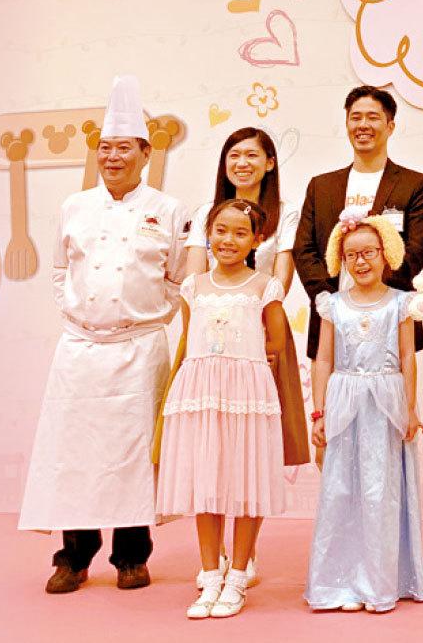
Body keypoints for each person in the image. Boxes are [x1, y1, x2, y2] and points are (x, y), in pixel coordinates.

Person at [18, 75, 189, 594]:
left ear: (146, 152)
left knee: (133, 456)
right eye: (105, 148)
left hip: (139, 348)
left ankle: (131, 557)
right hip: (80, 348)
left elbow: (177, 278)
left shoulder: (168, 209)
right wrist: (78, 317)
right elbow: (58, 270)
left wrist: (146, 318)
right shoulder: (75, 206)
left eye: (124, 148)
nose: (112, 157)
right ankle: (73, 557)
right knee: (75, 454)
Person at [180, 127, 310, 586]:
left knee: (252, 445)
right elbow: (194, 277)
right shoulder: (205, 212)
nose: (242, 163)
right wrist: (210, 308)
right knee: (209, 444)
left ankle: (244, 558)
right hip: (209, 333)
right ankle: (214, 560)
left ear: (270, 163)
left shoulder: (286, 213)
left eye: (253, 155)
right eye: (234, 155)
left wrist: (255, 321)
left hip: (259, 335)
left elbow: (281, 278)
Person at [157, 200, 290, 618]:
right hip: (202, 392)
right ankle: (211, 575)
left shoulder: (264, 286)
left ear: (257, 239)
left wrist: (249, 369)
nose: (228, 240)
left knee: (246, 485)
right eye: (220, 230)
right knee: (206, 484)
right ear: (209, 233)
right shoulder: (193, 287)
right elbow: (188, 337)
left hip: (247, 395)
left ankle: (237, 578)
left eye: (240, 232)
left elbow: (277, 342)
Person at [305, 205, 423, 613]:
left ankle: (378, 583)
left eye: (368, 253)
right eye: (352, 255)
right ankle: (338, 584)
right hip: (344, 403)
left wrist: (410, 408)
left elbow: (408, 357)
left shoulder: (401, 303)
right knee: (341, 489)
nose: (361, 262)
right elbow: (324, 359)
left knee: (381, 492)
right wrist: (319, 411)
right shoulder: (332, 305)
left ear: (384, 254)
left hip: (386, 404)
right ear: (342, 260)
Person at [292, 86, 423, 362]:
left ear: (390, 126)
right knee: (331, 388)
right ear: (347, 123)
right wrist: (331, 302)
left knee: (391, 387)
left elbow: (417, 250)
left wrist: (374, 297)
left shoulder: (414, 184)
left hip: (390, 315)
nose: (363, 125)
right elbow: (304, 249)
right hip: (332, 317)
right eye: (355, 117)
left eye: (373, 117)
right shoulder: (321, 186)